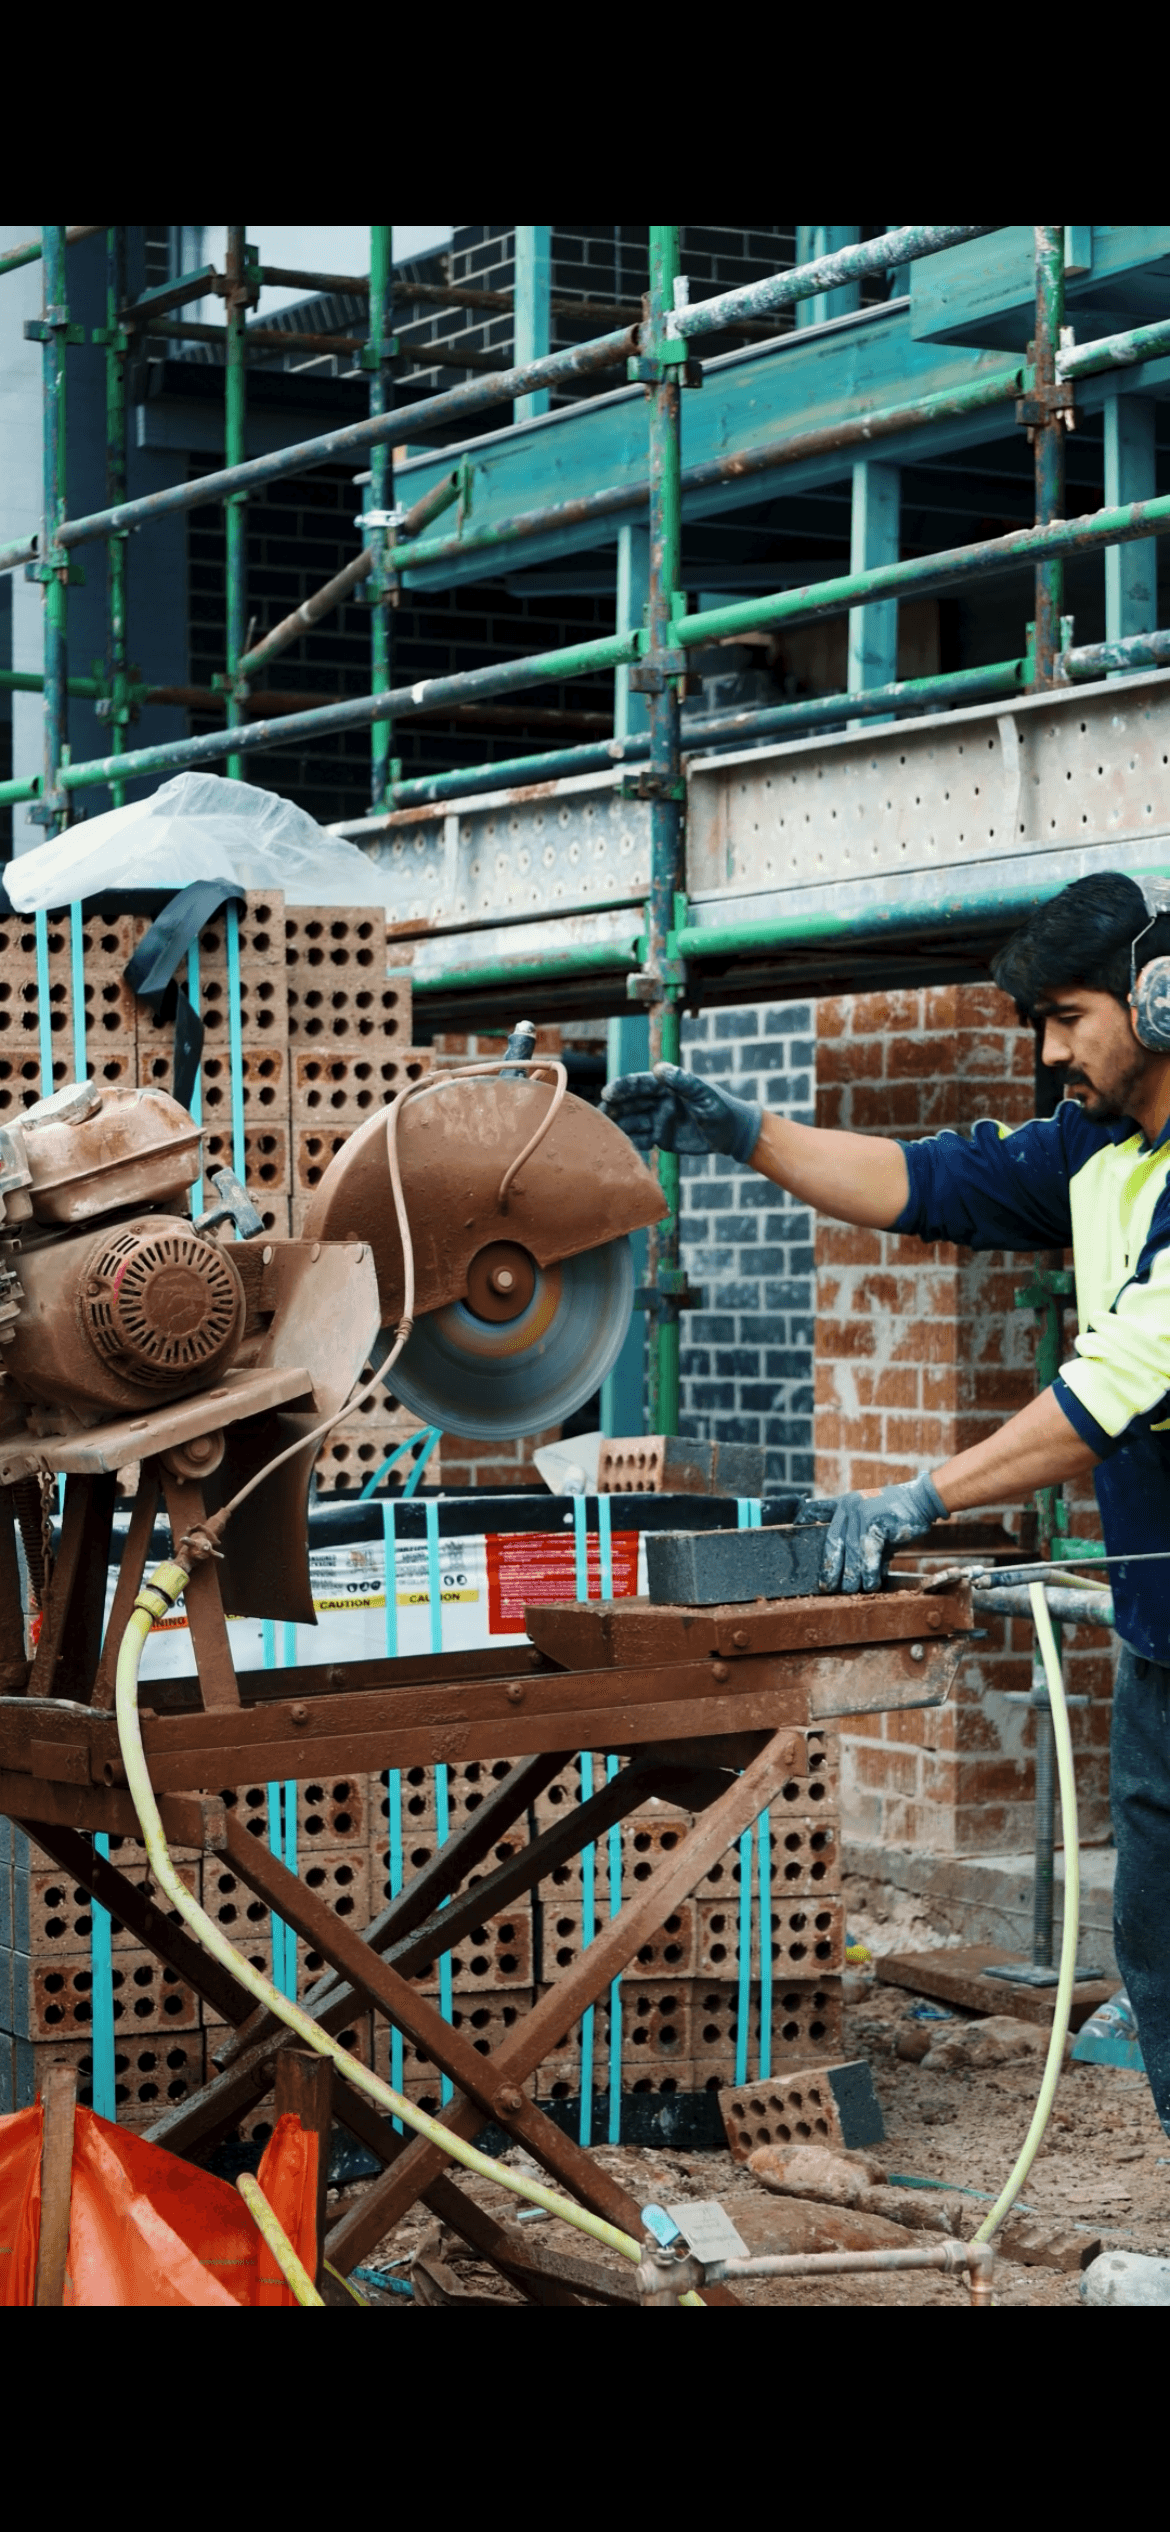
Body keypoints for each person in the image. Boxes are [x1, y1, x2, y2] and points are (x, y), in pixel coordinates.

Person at [602, 872, 1170, 2125]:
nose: (1050, 1049)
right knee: (1160, 1940)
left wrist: (919, 1494)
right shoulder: (1097, 1147)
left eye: (1070, 1015)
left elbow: (1126, 1378)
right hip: (1161, 1633)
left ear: (1160, 996)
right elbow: (923, 1183)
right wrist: (745, 1133)